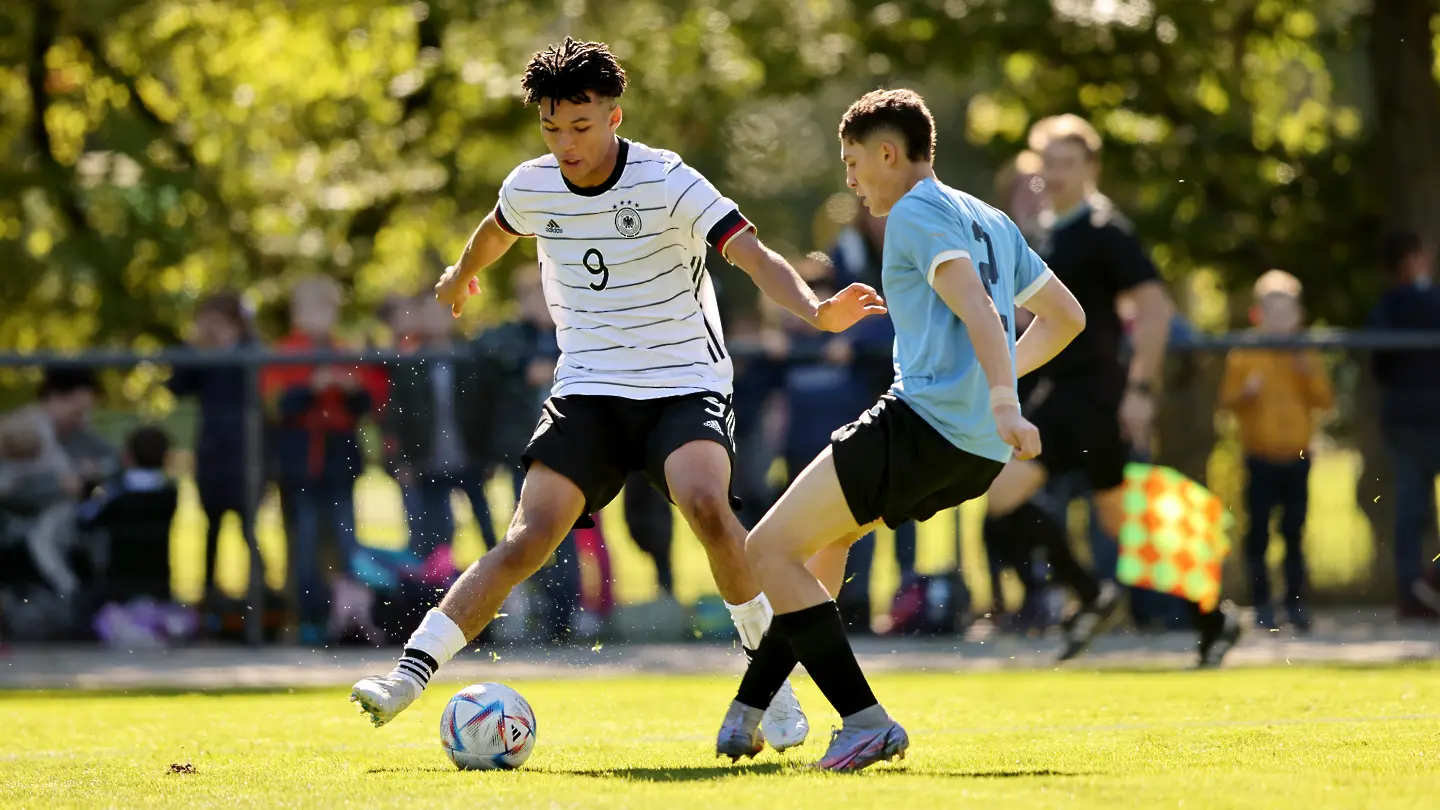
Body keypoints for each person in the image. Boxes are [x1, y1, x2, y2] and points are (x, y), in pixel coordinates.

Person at [350, 38, 884, 750]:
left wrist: (815, 312)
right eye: (551, 127)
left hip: (683, 382)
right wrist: (459, 273)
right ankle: (407, 676)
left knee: (707, 508)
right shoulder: (532, 183)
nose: (566, 142)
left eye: (580, 124)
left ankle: (773, 686)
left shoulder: (669, 180)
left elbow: (751, 254)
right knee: (526, 539)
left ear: (613, 115)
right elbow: (495, 231)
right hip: (590, 388)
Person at [713, 88, 1085, 771]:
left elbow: (974, 306)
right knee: (819, 548)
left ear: (889, 153)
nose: (850, 181)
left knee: (765, 551)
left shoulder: (916, 211)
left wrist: (1004, 398)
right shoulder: (990, 216)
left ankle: (864, 721)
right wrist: (994, 392)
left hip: (923, 424)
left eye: (854, 163)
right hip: (970, 451)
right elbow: (1067, 318)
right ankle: (747, 710)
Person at [980, 114, 1242, 665]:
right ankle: (1172, 608)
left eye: (1067, 163)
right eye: (1048, 162)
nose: (1055, 174)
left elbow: (1154, 309)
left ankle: (1172, 608)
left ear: (1090, 167)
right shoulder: (1047, 232)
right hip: (1056, 392)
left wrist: (1140, 390)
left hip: (1094, 395)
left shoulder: (1105, 230)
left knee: (1094, 513)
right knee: (1080, 511)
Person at [263, 275, 388, 645]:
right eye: (315, 308)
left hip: (339, 459)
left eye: (328, 308)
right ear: (297, 312)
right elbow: (275, 404)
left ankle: (350, 617)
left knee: (347, 541)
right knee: (303, 542)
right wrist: (311, 388)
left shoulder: (345, 351)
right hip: (299, 462)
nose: (323, 316)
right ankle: (307, 619)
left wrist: (350, 390)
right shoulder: (283, 352)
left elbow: (368, 404)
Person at [1219, 271, 1332, 632]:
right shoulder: (1246, 354)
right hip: (1259, 455)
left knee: (1294, 532)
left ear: (1298, 316)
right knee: (1258, 534)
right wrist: (1245, 395)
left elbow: (1324, 400)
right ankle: (1263, 603)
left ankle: (1296, 604)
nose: (1281, 322)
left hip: (1297, 456)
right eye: (1273, 313)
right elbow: (1228, 400)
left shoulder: (1306, 354)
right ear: (1259, 316)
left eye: (1287, 314)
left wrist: (1305, 371)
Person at [167, 291, 264, 607]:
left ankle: (259, 600)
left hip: (248, 453)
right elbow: (178, 386)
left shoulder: (251, 352)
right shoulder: (202, 358)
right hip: (212, 452)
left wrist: (228, 347)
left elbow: (258, 384)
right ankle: (207, 599)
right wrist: (194, 348)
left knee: (249, 526)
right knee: (211, 525)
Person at [1366, 229, 1440, 616]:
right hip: (1424, 418)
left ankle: (1414, 594)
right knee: (1413, 509)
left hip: (1405, 418)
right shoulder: (1429, 303)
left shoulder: (1385, 308)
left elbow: (1380, 365)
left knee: (1410, 511)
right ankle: (1426, 588)